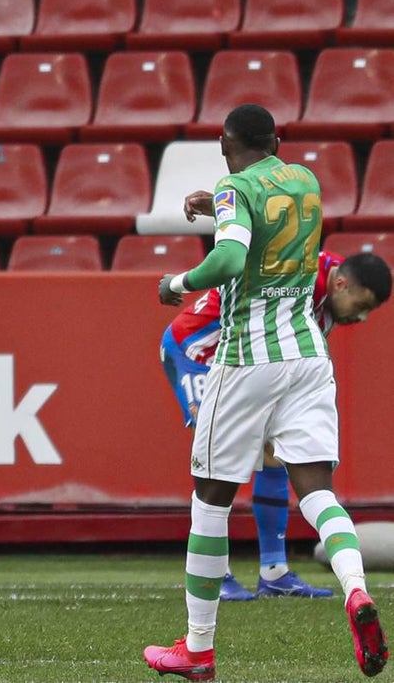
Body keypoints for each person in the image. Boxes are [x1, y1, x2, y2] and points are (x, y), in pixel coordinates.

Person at [146, 103, 389, 680]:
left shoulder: (234, 185)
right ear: (276, 141)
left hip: (246, 358)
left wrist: (176, 283)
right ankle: (356, 591)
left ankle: (198, 650)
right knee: (318, 492)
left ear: (224, 143)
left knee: (210, 499)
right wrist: (225, 202)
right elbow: (271, 217)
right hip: (308, 355)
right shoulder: (304, 179)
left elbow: (230, 257)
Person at [161, 249, 391, 602]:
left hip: (246, 363)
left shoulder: (326, 293)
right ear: (341, 283)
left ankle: (274, 572)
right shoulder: (299, 280)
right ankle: (216, 574)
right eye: (361, 305)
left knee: (272, 455)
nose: (360, 317)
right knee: (216, 464)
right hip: (196, 352)